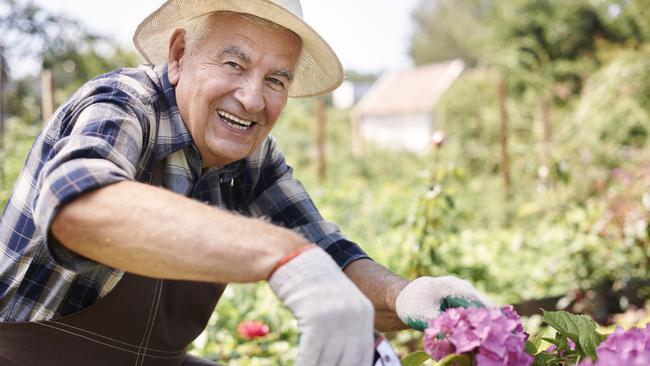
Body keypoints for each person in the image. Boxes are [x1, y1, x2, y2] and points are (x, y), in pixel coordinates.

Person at [0, 1, 492, 365]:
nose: (253, 100)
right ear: (178, 55)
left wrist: (404, 296)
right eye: (234, 64)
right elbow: (78, 210)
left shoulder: (253, 159)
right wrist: (283, 256)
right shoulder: (124, 104)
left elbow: (326, 251)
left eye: (277, 80)